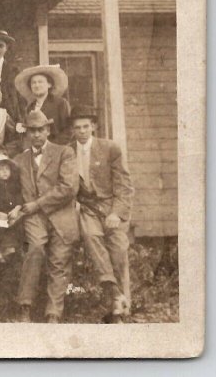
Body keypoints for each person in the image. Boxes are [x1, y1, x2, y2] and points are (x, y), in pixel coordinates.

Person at [12, 110, 79, 324]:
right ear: (27, 133)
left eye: (40, 130)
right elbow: (13, 191)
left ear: (48, 130)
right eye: (32, 130)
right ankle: (25, 306)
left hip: (61, 215)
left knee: (60, 259)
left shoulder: (64, 152)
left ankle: (53, 312)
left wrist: (37, 204)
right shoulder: (19, 159)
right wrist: (15, 207)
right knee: (36, 249)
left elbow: (68, 188)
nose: (36, 135)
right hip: (33, 217)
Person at [69, 105, 134, 323]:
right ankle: (116, 297)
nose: (82, 131)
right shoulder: (67, 151)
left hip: (109, 206)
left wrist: (116, 213)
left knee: (118, 248)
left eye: (86, 126)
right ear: (73, 129)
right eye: (77, 127)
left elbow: (124, 185)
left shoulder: (109, 148)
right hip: (85, 207)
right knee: (91, 236)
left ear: (93, 127)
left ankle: (117, 304)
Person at [14, 64, 72, 145]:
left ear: (49, 84)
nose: (37, 85)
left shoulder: (60, 103)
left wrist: (52, 147)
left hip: (56, 147)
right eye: (33, 83)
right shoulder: (30, 108)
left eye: (40, 82)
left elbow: (68, 130)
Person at [0, 154, 24, 263]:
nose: (4, 172)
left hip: (13, 214)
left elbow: (20, 198)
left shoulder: (14, 184)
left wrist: (16, 209)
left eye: (7, 169)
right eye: (1, 169)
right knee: (0, 229)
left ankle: (14, 249)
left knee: (17, 226)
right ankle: (1, 250)